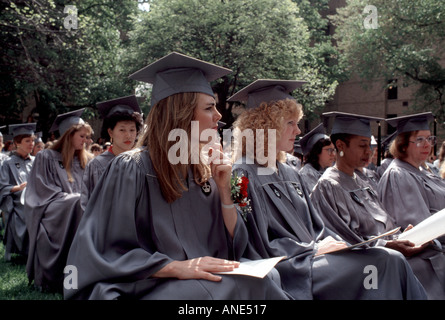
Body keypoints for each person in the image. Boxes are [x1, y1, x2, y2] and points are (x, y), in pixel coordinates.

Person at [64, 52, 290, 300]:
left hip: (199, 277)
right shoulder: (130, 167)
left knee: (267, 278)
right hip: (147, 283)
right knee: (239, 288)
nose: (219, 116)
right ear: (180, 115)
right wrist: (173, 267)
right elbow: (102, 249)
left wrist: (226, 190)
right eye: (209, 108)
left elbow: (236, 246)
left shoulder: (206, 169)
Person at [229, 79, 426, 300]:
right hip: (290, 267)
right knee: (382, 263)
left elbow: (317, 228)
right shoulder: (240, 176)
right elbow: (251, 241)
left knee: (390, 259)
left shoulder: (289, 172)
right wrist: (312, 250)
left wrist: (332, 243)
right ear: (265, 126)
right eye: (290, 123)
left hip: (313, 257)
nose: (298, 130)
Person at [310, 112, 444, 299]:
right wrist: (387, 243)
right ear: (340, 146)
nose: (369, 152)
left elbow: (385, 224)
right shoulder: (329, 185)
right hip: (362, 261)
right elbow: (341, 239)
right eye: (362, 146)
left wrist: (402, 235)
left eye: (369, 146)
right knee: (420, 265)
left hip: (385, 252)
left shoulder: (363, 182)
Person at [24, 109, 93, 293]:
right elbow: (42, 192)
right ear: (68, 135)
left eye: (86, 136)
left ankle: (85, 278)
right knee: (78, 203)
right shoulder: (45, 157)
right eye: (81, 136)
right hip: (52, 210)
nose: (85, 140)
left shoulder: (86, 160)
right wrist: (72, 200)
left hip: (77, 207)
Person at [377, 112, 445, 299]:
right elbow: (418, 229)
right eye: (419, 139)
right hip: (424, 260)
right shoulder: (399, 175)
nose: (427, 144)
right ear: (404, 144)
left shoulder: (425, 171)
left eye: (429, 138)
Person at [80, 95, 143, 211]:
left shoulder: (142, 162)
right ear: (110, 132)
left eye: (132, 130)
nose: (128, 135)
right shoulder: (97, 165)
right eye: (122, 130)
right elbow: (89, 206)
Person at [0, 123, 36, 260]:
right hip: (16, 201)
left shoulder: (35, 161)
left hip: (36, 198)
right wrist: (19, 188)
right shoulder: (7, 163)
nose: (31, 144)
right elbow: (2, 187)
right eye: (28, 141)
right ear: (17, 143)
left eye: (32, 140)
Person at [298, 123, 336, 192]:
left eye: (333, 150)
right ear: (316, 151)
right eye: (329, 150)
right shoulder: (307, 174)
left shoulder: (329, 170)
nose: (333, 154)